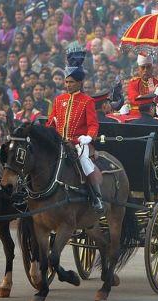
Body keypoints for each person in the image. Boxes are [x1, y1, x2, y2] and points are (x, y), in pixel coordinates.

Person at [46, 48, 103, 213]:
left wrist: (89, 137)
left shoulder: (87, 101)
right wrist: (51, 125)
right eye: (66, 82)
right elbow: (51, 122)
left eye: (71, 82)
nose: (67, 85)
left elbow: (93, 125)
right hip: (60, 142)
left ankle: (96, 196)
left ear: (79, 83)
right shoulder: (59, 100)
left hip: (79, 143)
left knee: (85, 163)